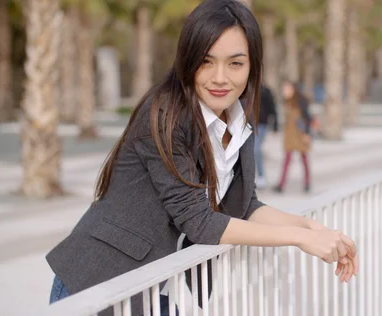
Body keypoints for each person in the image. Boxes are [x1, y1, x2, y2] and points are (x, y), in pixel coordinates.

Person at [45, 1, 358, 315]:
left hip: (152, 289)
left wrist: (310, 227)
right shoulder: (164, 115)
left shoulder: (238, 119)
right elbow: (199, 222)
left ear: (252, 66)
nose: (220, 78)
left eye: (235, 63)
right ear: (188, 60)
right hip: (98, 282)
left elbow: (245, 205)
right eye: (207, 62)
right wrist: (297, 239)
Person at [274, 80, 312, 194]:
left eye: (286, 89)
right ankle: (281, 184)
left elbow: (307, 118)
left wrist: (307, 133)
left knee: (304, 158)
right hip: (290, 134)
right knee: (287, 159)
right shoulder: (287, 102)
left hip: (300, 134)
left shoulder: (301, 101)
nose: (284, 91)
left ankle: (307, 182)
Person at [253, 83, 278, 189]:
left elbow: (272, 108)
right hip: (246, 123)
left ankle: (261, 176)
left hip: (261, 124)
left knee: (256, 149)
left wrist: (275, 126)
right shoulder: (245, 88)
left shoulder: (265, 91)